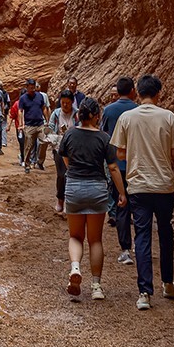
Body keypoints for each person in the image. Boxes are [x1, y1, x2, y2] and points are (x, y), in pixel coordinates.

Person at [111, 74, 174, 309]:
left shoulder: (126, 118)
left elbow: (120, 154)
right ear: (158, 94)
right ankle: (168, 283)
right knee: (165, 233)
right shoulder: (169, 117)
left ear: (138, 93)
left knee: (142, 236)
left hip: (138, 186)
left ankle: (145, 292)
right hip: (164, 185)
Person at [59, 96, 125, 302]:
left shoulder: (69, 135)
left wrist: (76, 174)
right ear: (97, 116)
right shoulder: (104, 138)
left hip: (75, 189)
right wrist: (122, 192)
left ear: (79, 115)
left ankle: (75, 268)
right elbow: (113, 167)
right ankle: (96, 286)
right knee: (95, 239)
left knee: (75, 236)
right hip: (97, 189)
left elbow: (66, 160)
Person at [100, 76, 139, 259]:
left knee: (121, 205)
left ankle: (125, 249)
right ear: (132, 91)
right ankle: (141, 245)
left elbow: (104, 135)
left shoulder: (108, 110)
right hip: (136, 165)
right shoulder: (138, 111)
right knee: (138, 206)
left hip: (116, 164)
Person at [48, 89, 79, 214]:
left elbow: (81, 127)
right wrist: (52, 139)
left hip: (74, 149)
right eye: (63, 102)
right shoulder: (55, 114)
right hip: (59, 148)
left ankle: (69, 201)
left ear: (72, 102)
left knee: (71, 175)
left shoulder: (77, 114)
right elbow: (50, 129)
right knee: (61, 175)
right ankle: (60, 199)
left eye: (67, 103)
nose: (65, 105)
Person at [17, 77, 46, 171]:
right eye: (31, 87)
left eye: (34, 87)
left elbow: (43, 108)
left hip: (40, 124)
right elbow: (20, 111)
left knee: (44, 142)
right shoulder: (23, 98)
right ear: (27, 87)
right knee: (28, 146)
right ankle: (27, 164)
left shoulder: (39, 96)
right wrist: (21, 124)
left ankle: (40, 161)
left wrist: (47, 120)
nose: (32, 89)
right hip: (29, 125)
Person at [8, 93, 24, 164]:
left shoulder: (30, 103)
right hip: (19, 128)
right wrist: (9, 125)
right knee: (22, 143)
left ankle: (28, 159)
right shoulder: (16, 104)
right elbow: (12, 116)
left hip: (29, 127)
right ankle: (23, 158)